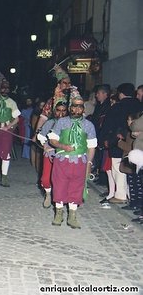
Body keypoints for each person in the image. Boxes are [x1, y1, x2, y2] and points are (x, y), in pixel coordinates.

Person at [48, 88, 97, 229]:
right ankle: (58, 214)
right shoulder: (62, 122)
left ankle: (72, 216)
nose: (77, 109)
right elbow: (52, 140)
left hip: (80, 161)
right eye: (74, 105)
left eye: (80, 106)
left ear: (83, 108)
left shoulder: (89, 125)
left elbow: (92, 146)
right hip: (62, 160)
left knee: (76, 187)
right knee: (59, 185)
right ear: (70, 108)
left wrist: (89, 163)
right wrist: (63, 145)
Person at [99, 83, 142, 205]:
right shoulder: (139, 104)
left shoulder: (117, 107)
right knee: (135, 173)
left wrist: (104, 139)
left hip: (118, 141)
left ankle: (120, 194)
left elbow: (108, 125)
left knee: (118, 168)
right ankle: (131, 196)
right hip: (137, 142)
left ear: (120, 94)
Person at [37, 101, 68, 208]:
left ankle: (60, 199)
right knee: (46, 178)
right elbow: (41, 137)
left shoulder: (70, 124)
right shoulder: (50, 123)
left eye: (63, 111)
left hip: (64, 155)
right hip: (50, 154)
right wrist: (45, 145)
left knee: (62, 178)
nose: (61, 113)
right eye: (58, 110)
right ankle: (48, 194)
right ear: (55, 111)